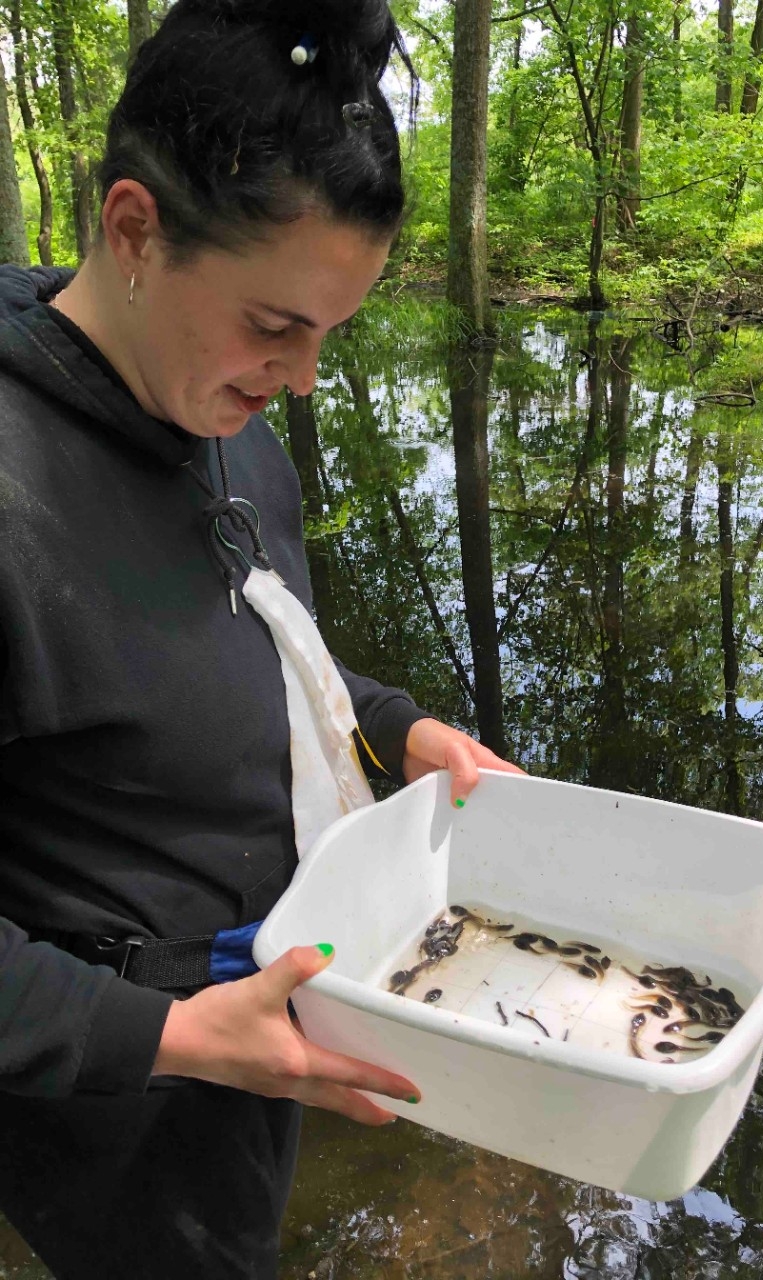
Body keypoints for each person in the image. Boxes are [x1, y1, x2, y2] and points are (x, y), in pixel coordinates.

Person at [0, 1, 521, 1276]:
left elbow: (258, 642)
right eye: (276, 325)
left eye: (330, 335)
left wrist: (397, 727)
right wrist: (176, 1039)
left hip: (267, 1020)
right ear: (134, 229)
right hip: (117, 1089)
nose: (301, 379)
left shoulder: (225, 417)